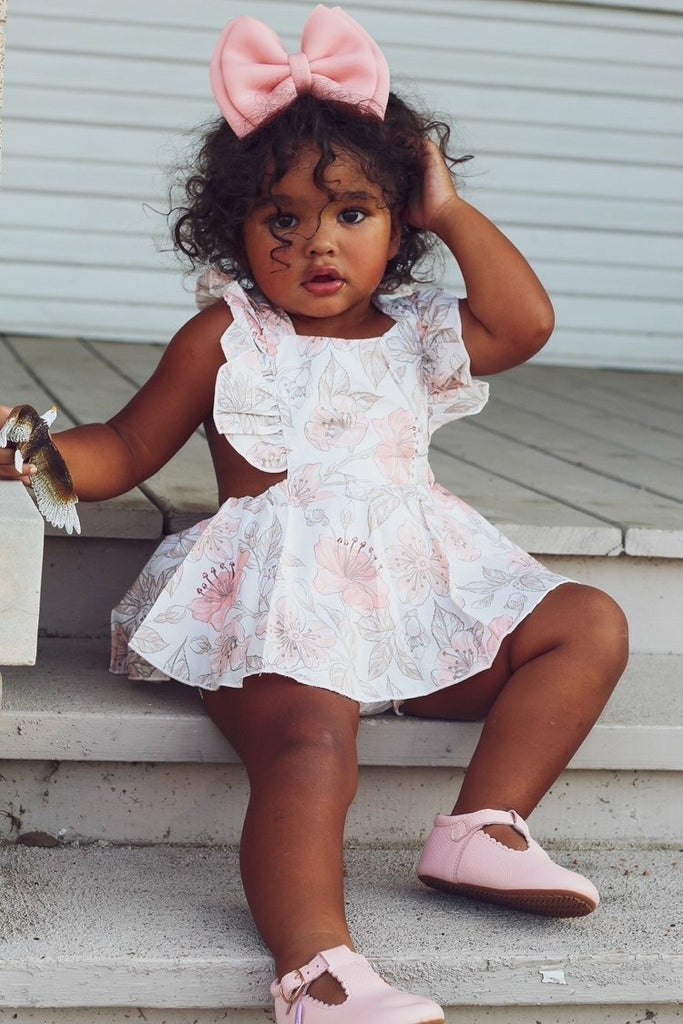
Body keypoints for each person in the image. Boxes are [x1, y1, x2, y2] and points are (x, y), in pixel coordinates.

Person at [0, 6, 629, 1022]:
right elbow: (123, 449)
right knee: (308, 747)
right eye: (281, 219)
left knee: (586, 621)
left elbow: (525, 322)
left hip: (411, 594)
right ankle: (317, 969)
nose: (316, 243)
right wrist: (32, 448)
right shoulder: (228, 337)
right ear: (236, 232)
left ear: (398, 224)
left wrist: (452, 211)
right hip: (279, 608)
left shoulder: (419, 332)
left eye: (352, 211)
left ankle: (482, 825)